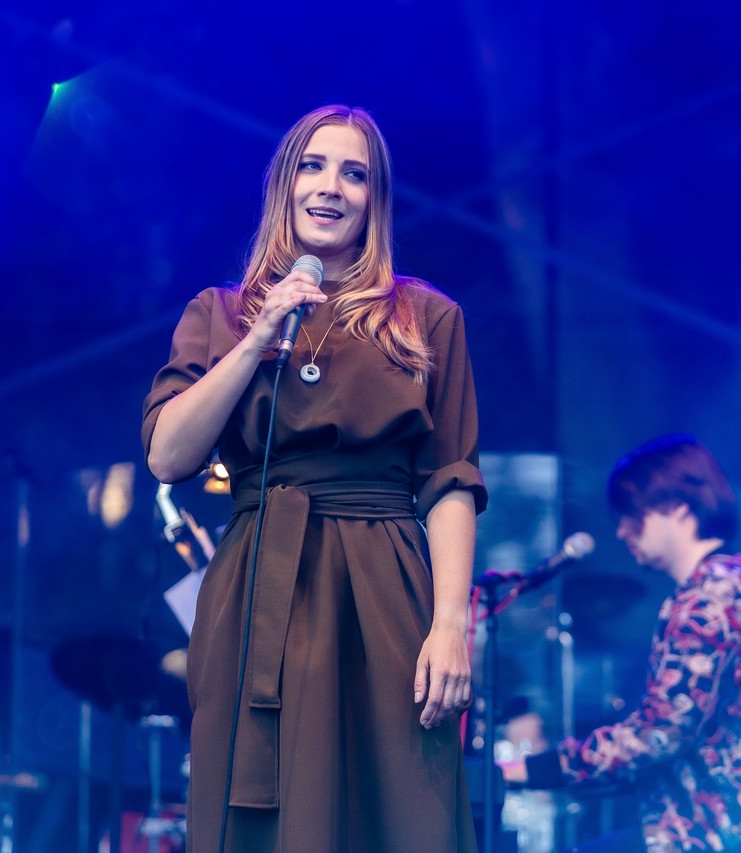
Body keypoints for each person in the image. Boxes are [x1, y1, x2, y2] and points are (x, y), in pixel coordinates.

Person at [141, 105, 485, 852]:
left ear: (375, 200)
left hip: (383, 582)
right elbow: (168, 456)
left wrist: (451, 626)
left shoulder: (426, 316)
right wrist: (257, 339)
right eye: (314, 166)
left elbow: (451, 480)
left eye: (355, 174)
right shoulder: (222, 312)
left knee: (398, 806)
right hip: (258, 583)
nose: (331, 186)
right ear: (285, 184)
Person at [502, 434, 741, 852]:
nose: (621, 531)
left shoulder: (712, 596)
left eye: (633, 514)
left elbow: (661, 731)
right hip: (732, 827)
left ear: (678, 507)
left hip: (719, 833)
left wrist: (531, 769)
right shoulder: (732, 580)